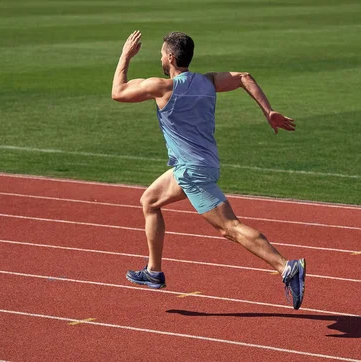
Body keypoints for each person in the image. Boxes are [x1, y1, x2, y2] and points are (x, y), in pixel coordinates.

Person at [111, 30, 306, 309]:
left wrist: (125, 56)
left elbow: (118, 92)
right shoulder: (207, 82)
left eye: (161, 53)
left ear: (170, 57)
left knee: (230, 228)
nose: (160, 57)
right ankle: (154, 273)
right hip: (198, 165)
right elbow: (243, 77)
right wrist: (268, 111)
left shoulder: (163, 87)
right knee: (149, 201)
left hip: (193, 172)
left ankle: (287, 267)